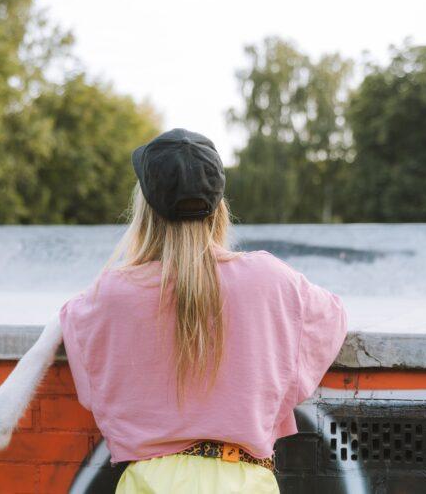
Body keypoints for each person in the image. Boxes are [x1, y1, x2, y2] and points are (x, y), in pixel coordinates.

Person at [59, 128, 348, 493]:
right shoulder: (270, 278)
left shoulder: (112, 292)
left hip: (149, 483)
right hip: (244, 480)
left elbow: (77, 334)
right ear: (219, 206)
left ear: (145, 210)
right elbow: (331, 319)